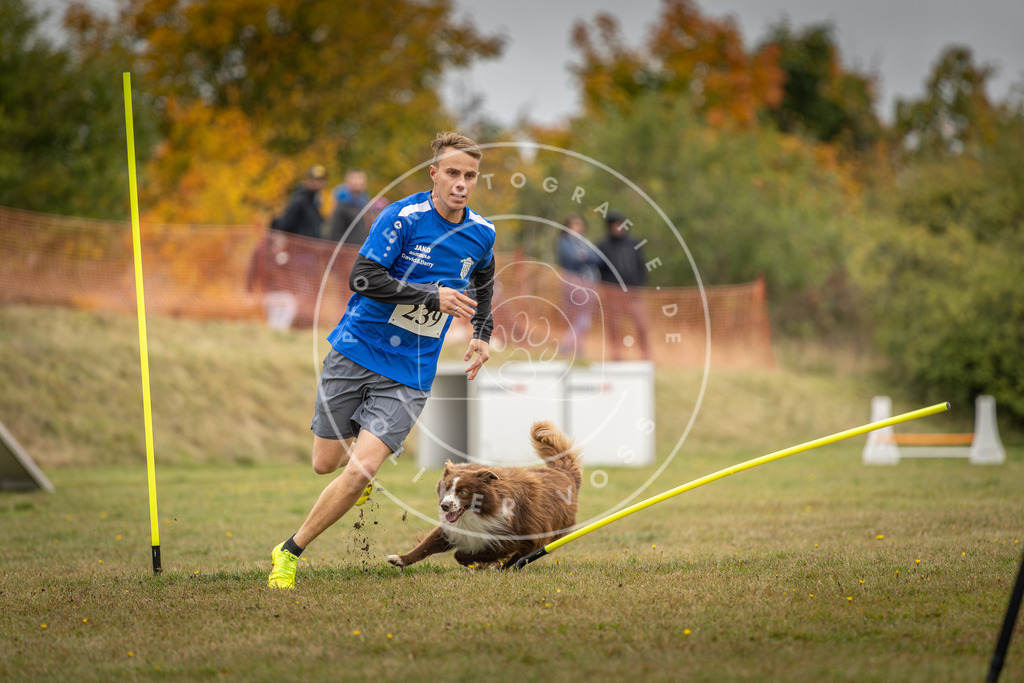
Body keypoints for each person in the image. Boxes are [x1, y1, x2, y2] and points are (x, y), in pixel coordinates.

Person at [268, 132, 495, 589]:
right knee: (324, 464)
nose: (461, 184)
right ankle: (355, 472)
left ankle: (289, 552)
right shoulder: (402, 218)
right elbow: (362, 278)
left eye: (470, 176)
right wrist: (432, 297)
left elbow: (485, 280)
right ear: (434, 174)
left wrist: (483, 333)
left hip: (411, 370)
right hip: (356, 349)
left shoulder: (483, 232)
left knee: (362, 469)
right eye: (452, 173)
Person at [597, 210, 651, 361]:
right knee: (615, 325)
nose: (617, 228)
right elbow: (598, 269)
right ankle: (617, 354)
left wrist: (638, 284)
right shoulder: (603, 246)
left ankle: (646, 355)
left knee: (641, 323)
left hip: (633, 292)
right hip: (612, 292)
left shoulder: (633, 243)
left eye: (619, 224)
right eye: (613, 225)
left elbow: (641, 265)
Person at [555, 213, 602, 357]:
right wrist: (584, 256)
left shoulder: (584, 241)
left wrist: (584, 255)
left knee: (584, 319)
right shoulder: (564, 242)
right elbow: (572, 259)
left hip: (588, 283)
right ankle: (566, 346)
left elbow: (598, 257)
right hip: (572, 283)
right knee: (574, 317)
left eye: (579, 224)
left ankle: (577, 348)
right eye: (574, 224)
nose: (577, 227)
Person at [274, 164, 328, 239]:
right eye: (316, 180)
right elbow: (286, 224)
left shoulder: (315, 202)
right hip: (298, 247)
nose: (319, 183)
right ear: (308, 180)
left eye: (322, 180)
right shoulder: (300, 200)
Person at [328, 169, 370, 246]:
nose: (357, 181)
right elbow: (335, 232)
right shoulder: (341, 206)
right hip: (345, 249)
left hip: (358, 247)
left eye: (360, 178)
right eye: (354, 178)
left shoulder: (363, 203)